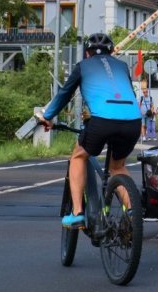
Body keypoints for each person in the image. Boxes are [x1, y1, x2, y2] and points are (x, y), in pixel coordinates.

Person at [38, 33, 141, 228]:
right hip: (132, 121)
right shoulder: (122, 66)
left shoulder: (82, 66)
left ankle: (77, 213)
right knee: (117, 166)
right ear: (112, 51)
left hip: (102, 120)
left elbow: (64, 94)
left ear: (87, 53)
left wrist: (48, 116)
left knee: (78, 156)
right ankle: (132, 212)